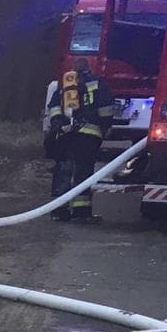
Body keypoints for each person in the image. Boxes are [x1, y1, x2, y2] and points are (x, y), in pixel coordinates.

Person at [47, 58, 116, 223]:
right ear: (89, 68)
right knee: (83, 172)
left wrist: (58, 125)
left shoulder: (65, 84)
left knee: (63, 171)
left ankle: (59, 211)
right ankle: (81, 212)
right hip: (88, 136)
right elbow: (105, 109)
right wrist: (106, 126)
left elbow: (54, 107)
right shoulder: (97, 83)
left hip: (65, 135)